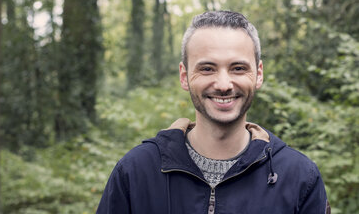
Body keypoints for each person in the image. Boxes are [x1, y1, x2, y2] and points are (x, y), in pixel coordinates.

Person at [97, 11, 330, 214]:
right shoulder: (136, 171)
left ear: (258, 74)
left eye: (238, 68)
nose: (223, 84)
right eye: (207, 69)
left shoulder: (299, 177)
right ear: (184, 76)